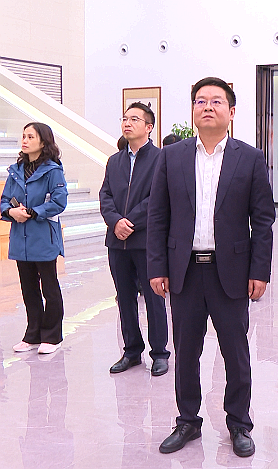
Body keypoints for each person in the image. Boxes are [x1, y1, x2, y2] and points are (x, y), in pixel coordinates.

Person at [147, 77, 275, 458]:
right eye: (200, 101)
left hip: (230, 271)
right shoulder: (171, 157)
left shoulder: (249, 158)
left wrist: (260, 270)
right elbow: (158, 215)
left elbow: (262, 220)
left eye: (216, 101)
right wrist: (157, 266)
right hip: (184, 270)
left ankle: (239, 423)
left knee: (235, 352)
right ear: (193, 110)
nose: (207, 107)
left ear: (231, 112)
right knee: (185, 351)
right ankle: (187, 420)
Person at [100, 102, 170, 376]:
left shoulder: (161, 158)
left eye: (134, 119)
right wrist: (115, 221)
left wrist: (130, 222)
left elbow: (158, 198)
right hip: (117, 242)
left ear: (149, 127)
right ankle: (131, 351)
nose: (127, 123)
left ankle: (160, 352)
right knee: (125, 297)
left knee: (154, 298)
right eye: (125, 119)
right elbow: (105, 195)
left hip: (147, 241)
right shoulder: (114, 161)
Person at [2, 122, 68, 355]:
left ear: (43, 141)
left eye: (31, 136)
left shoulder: (53, 170)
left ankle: (52, 336)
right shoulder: (15, 170)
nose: (25, 140)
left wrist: (31, 212)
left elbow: (59, 202)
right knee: (28, 289)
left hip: (43, 238)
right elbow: (4, 200)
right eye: (24, 136)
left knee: (49, 289)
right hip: (21, 238)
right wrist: (11, 212)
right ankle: (33, 335)